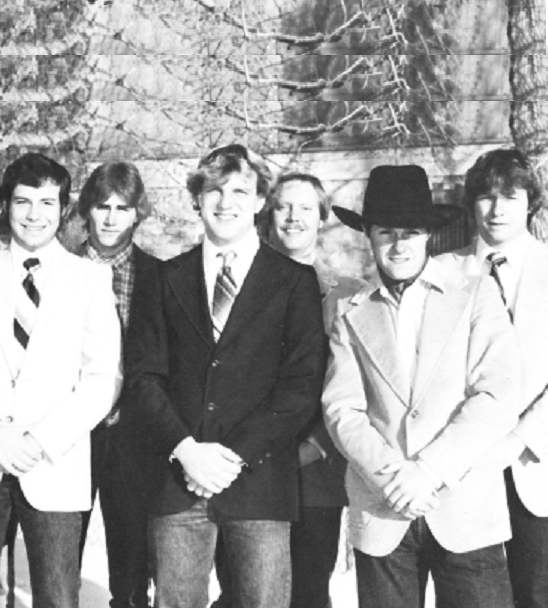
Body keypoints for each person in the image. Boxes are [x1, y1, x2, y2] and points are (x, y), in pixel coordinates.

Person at [124, 144, 326, 608]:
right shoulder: (165, 278)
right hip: (179, 480)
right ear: (197, 199)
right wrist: (187, 451)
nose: (225, 201)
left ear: (260, 202)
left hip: (258, 484)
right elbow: (143, 378)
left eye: (240, 190)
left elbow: (299, 388)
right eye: (214, 189)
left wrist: (231, 457)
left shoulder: (294, 281)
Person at [323, 164, 520, 608]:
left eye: (409, 231)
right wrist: (393, 480)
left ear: (427, 234)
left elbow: (497, 393)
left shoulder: (475, 291)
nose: (398, 244)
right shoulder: (348, 310)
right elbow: (342, 410)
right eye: (386, 232)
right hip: (383, 508)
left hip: (464, 506)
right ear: (368, 235)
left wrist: (428, 471)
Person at [213, 172, 365, 608]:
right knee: (242, 590)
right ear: (268, 215)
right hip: (249, 468)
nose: (293, 217)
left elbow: (352, 385)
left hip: (315, 470)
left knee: (308, 590)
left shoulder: (351, 295)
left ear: (322, 219)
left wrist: (313, 447)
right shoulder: (237, 285)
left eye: (305, 208)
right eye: (283, 206)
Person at [0, 152, 122, 607]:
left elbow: (103, 379)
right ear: (7, 206)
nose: (34, 215)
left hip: (54, 466)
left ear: (64, 208)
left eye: (47, 203)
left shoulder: (89, 279)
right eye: (22, 202)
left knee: (57, 597)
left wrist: (37, 441)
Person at [437, 148, 548, 608]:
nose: (498, 209)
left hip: (535, 469)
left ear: (531, 203)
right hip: (461, 469)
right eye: (486, 197)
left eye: (511, 196)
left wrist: (521, 438)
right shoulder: (442, 272)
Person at [77, 161, 159, 608]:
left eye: (121, 208)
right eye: (101, 206)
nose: (110, 218)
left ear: (136, 214)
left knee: (130, 566)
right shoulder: (62, 268)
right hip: (72, 434)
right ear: (87, 210)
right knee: (58, 557)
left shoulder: (158, 277)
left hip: (131, 435)